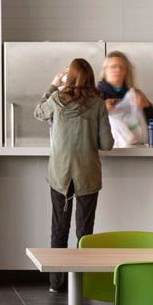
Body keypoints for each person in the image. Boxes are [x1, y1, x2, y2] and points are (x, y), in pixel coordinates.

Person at [37, 58, 111, 251]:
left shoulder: (55, 100)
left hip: (60, 174)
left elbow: (38, 112)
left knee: (59, 230)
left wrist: (54, 84)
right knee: (85, 234)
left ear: (68, 78)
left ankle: (58, 282)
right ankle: (82, 280)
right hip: (87, 175)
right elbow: (107, 144)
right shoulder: (98, 104)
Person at [99, 52, 153, 148]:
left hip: (135, 152)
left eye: (121, 67)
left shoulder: (135, 94)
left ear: (126, 71)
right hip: (107, 153)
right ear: (105, 70)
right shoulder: (96, 94)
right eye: (113, 66)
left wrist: (146, 106)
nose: (117, 70)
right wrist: (101, 110)